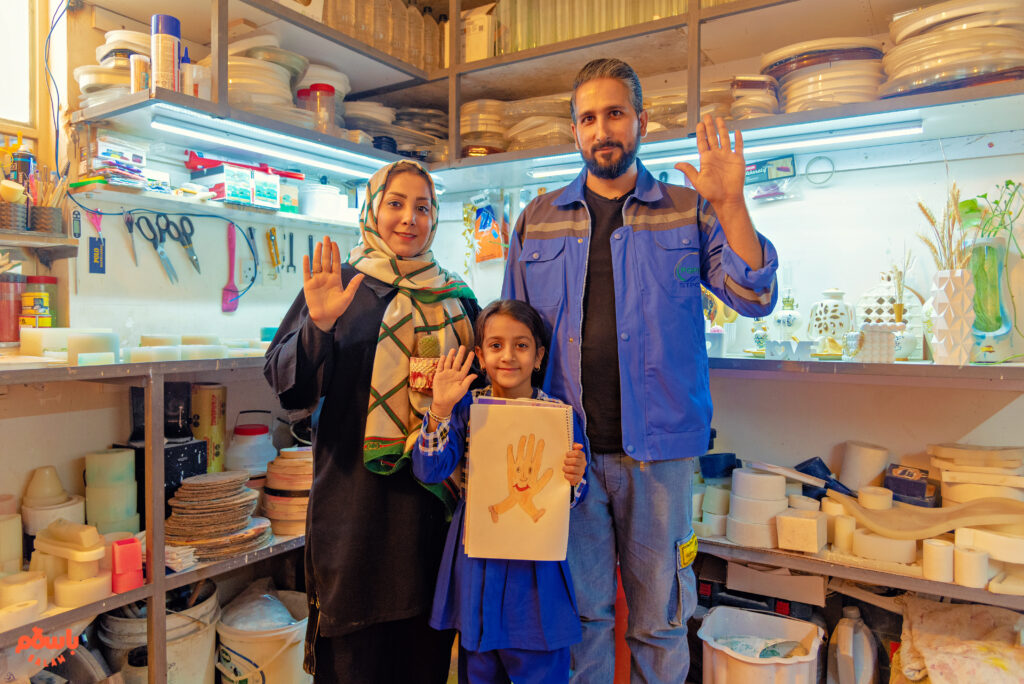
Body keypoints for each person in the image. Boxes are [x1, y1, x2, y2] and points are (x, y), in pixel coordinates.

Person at [502, 58, 779, 682]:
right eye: (588, 119)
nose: (602, 130)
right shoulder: (536, 220)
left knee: (660, 621)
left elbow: (753, 295)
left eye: (615, 114)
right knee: (583, 621)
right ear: (575, 131)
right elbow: (513, 342)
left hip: (661, 459)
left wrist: (731, 204)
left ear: (642, 122)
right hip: (567, 457)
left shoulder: (688, 209)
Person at [264, 159, 480, 683]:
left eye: (422, 207)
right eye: (395, 203)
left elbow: (480, 402)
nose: (409, 218)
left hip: (431, 517)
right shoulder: (340, 287)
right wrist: (318, 327)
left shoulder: (457, 300)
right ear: (372, 210)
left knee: (423, 659)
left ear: (435, 218)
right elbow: (287, 385)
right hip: (356, 514)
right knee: (353, 663)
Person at [412, 299, 588, 684]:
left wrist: (575, 477)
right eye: (495, 345)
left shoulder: (559, 416)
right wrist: (439, 409)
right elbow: (429, 469)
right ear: (480, 355)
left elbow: (574, 496)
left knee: (540, 660)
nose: (508, 356)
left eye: (521, 345)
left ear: (539, 356)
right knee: (479, 662)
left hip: (536, 566)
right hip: (479, 561)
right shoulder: (465, 410)